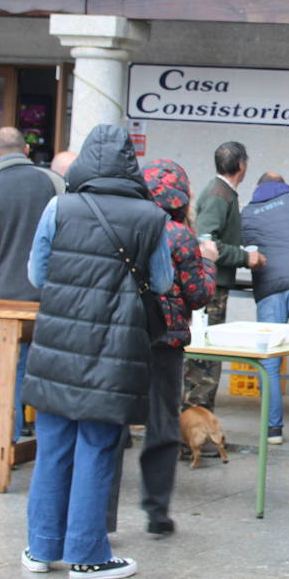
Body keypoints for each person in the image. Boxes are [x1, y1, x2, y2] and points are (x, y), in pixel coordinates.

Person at [19, 124, 171, 579]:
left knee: (52, 446)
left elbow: (37, 274)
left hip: (58, 345)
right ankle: (87, 555)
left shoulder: (59, 206)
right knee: (98, 447)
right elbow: (162, 283)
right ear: (130, 164)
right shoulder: (151, 216)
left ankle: (41, 547)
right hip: (114, 350)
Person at [107, 159, 217, 537]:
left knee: (113, 424)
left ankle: (103, 515)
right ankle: (157, 512)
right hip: (165, 341)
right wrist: (209, 263)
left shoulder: (122, 225)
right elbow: (198, 295)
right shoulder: (180, 235)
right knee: (162, 425)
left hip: (123, 337)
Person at [0, 126, 66, 467]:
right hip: (50, 294)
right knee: (52, 368)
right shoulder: (54, 183)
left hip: (2, 297)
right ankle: (48, 442)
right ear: (27, 151)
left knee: (3, 367)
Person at [239, 171, 289, 445]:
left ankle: (273, 430)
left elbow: (245, 250)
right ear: (285, 186)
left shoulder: (246, 213)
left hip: (268, 290)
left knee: (269, 361)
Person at [183, 142, 265, 412]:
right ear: (242, 165)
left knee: (207, 356)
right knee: (204, 359)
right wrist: (245, 257)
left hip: (214, 284)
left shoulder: (223, 192)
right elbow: (207, 244)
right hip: (210, 287)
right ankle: (195, 418)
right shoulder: (219, 195)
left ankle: (197, 417)